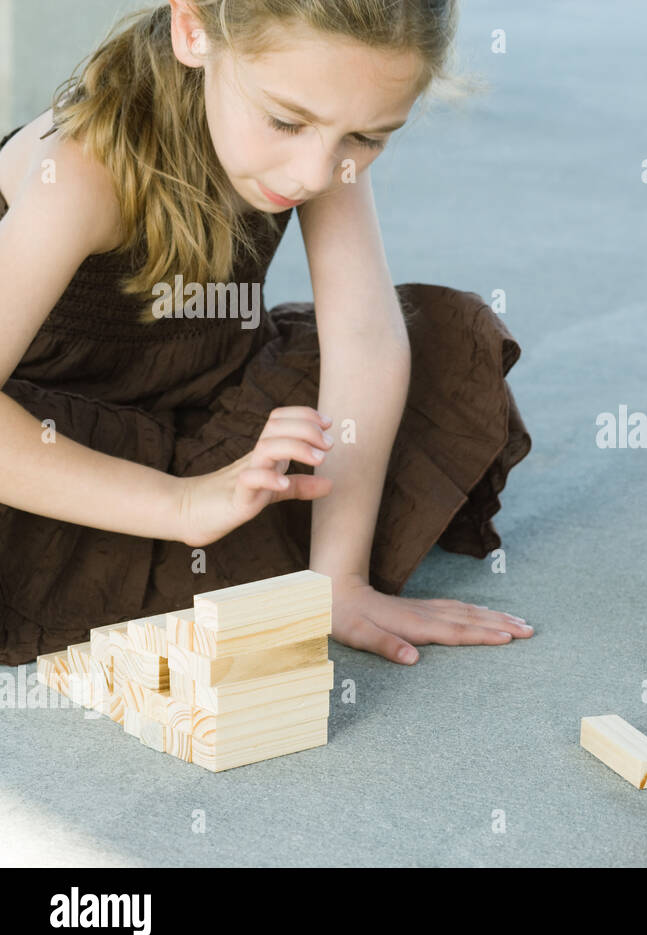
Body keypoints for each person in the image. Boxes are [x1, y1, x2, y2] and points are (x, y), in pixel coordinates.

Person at [0, 0, 534, 667]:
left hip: (196, 393)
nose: (315, 172)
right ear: (194, 30)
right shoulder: (78, 173)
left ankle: (243, 542)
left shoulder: (324, 138)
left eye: (368, 138)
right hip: (40, 437)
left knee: (443, 343)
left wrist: (338, 580)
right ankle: (176, 527)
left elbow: (363, 338)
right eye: (286, 121)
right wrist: (182, 503)